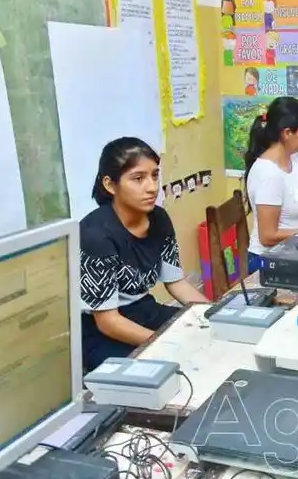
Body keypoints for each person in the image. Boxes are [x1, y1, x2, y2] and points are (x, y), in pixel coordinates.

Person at [79, 137, 209, 372]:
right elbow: (108, 322)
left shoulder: (159, 218)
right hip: (102, 332)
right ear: (110, 185)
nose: (151, 187)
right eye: (138, 178)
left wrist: (213, 314)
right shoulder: (94, 235)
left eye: (155, 175)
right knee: (174, 369)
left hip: (144, 310)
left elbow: (176, 283)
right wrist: (167, 343)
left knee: (207, 339)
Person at [245, 97, 298, 273]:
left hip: (293, 252)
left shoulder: (294, 158)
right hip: (268, 262)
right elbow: (267, 236)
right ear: (287, 133)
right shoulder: (269, 174)